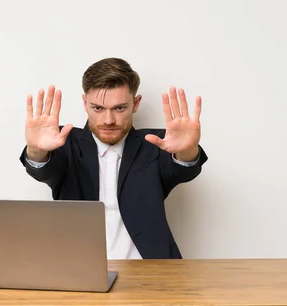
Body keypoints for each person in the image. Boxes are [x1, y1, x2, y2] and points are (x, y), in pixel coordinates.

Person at [18, 57, 208, 259]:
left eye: (119, 108)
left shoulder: (156, 143)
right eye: (98, 108)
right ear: (85, 104)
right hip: (80, 271)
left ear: (135, 104)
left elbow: (183, 169)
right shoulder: (64, 142)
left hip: (151, 271)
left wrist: (187, 150)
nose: (108, 120)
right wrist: (36, 149)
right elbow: (44, 169)